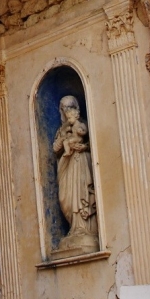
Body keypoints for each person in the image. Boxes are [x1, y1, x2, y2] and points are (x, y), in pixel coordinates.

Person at [53, 95, 99, 253]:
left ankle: (84, 228)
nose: (67, 111)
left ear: (76, 109)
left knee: (82, 192)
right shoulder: (62, 129)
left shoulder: (82, 124)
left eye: (70, 107)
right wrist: (63, 138)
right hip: (68, 164)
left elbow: (89, 139)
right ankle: (74, 227)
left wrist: (84, 147)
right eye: (64, 108)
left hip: (81, 163)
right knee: (66, 197)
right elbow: (55, 148)